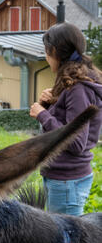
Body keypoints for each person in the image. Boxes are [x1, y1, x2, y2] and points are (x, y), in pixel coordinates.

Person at [29, 22, 102, 216]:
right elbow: (67, 122)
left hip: (67, 181)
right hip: (62, 178)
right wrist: (50, 104)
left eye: (46, 52)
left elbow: (77, 141)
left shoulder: (78, 89)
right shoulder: (73, 82)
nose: (46, 57)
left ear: (54, 51)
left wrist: (42, 114)